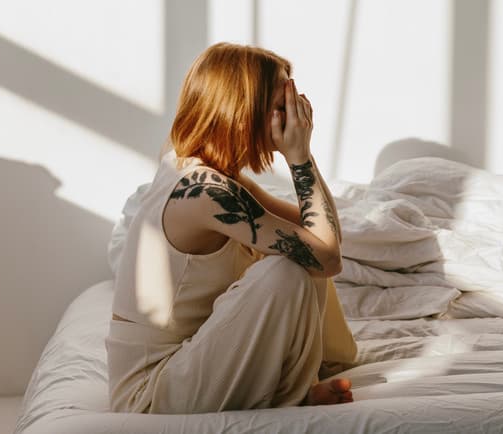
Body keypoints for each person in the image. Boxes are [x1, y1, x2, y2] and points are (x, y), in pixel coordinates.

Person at [105, 42, 356, 414]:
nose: (293, 115)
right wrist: (300, 156)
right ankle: (290, 396)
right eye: (281, 104)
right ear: (246, 110)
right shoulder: (205, 192)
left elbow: (314, 232)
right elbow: (327, 255)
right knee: (287, 268)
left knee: (298, 253)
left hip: (188, 362)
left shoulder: (208, 172)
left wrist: (303, 156)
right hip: (152, 393)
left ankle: (292, 389)